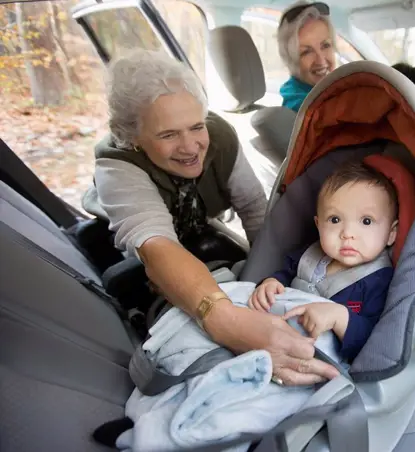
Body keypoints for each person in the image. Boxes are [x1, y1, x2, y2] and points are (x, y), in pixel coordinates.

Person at [82, 48, 338, 386]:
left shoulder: (219, 136)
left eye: (195, 127)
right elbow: (156, 246)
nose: (190, 147)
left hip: (194, 224)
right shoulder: (118, 165)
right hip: (129, 238)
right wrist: (228, 322)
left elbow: (255, 212)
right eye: (168, 134)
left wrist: (272, 281)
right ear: (133, 138)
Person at [249, 160, 399, 361]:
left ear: (391, 233)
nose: (348, 233)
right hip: (272, 336)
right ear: (318, 225)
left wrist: (340, 318)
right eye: (335, 220)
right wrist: (271, 283)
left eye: (366, 221)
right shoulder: (309, 255)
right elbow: (285, 273)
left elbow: (374, 342)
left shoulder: (379, 281)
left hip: (321, 360)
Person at [277, 1, 337, 112]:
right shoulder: (304, 108)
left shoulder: (325, 92)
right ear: (291, 59)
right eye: (306, 52)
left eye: (325, 45)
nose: (321, 61)